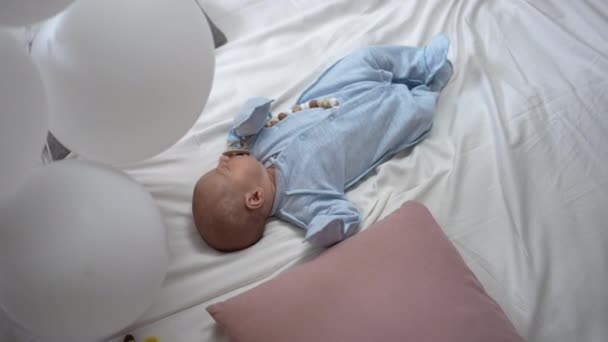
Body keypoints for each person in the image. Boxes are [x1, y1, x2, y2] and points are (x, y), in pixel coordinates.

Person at [192, 34, 453, 252]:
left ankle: (421, 62)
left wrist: (248, 123)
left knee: (363, 59)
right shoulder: (300, 201)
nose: (223, 159)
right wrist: (328, 227)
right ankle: (430, 88)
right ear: (256, 197)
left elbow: (247, 124)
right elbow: (338, 214)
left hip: (334, 94)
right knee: (415, 115)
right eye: (225, 169)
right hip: (374, 123)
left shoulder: (254, 148)